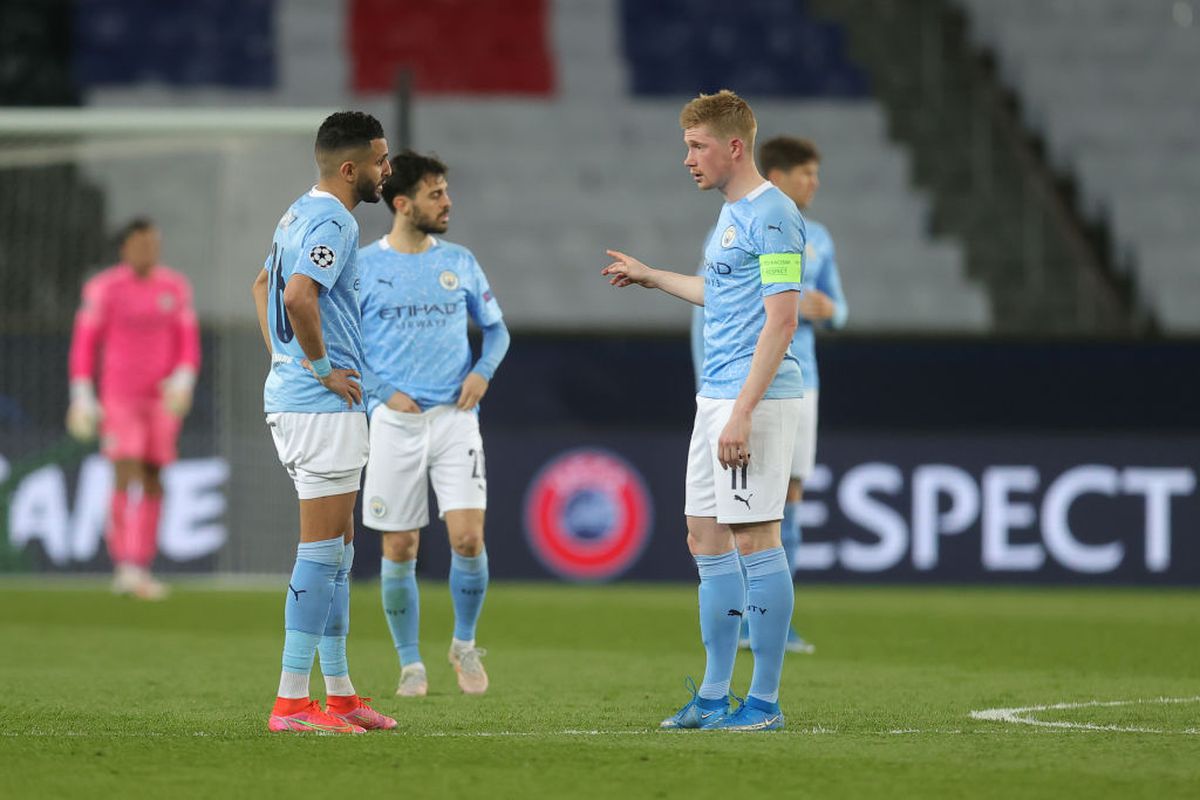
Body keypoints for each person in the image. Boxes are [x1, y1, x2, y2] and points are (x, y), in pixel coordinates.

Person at [602, 90, 805, 731]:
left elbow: (782, 319)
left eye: (696, 146)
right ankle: (715, 696)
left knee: (755, 538)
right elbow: (719, 295)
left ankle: (765, 701)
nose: (686, 158)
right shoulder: (730, 214)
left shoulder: (773, 214)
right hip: (714, 394)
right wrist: (652, 275)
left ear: (734, 147)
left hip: (755, 399)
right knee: (705, 536)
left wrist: (743, 411)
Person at [250, 110, 396, 735]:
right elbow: (295, 294)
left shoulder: (295, 211)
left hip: (301, 400)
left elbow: (261, 283)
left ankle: (338, 694)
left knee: (339, 550)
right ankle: (289, 702)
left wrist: (285, 362)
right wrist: (319, 368)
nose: (386, 170)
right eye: (380, 161)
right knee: (320, 551)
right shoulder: (334, 219)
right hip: (321, 407)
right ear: (349, 167)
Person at [358, 150, 510, 698]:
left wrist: (483, 373)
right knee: (400, 548)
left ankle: (464, 645)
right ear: (402, 204)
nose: (448, 202)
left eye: (446, 190)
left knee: (469, 539)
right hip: (396, 423)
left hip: (456, 417)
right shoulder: (364, 267)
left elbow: (497, 331)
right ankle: (409, 664)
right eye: (435, 193)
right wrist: (381, 393)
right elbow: (342, 346)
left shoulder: (460, 261)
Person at [691, 136, 848, 655]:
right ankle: (746, 625)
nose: (815, 183)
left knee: (784, 504)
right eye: (806, 173)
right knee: (736, 520)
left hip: (797, 384)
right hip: (742, 385)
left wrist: (829, 312)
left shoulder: (815, 236)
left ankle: (774, 626)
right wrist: (711, 384)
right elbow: (711, 304)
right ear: (778, 175)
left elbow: (837, 309)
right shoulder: (741, 222)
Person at [67, 218, 200, 600]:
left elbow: (187, 341)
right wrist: (81, 393)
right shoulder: (104, 288)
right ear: (125, 248)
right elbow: (84, 343)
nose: (149, 251)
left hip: (161, 400)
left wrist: (183, 380)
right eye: (141, 244)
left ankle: (141, 563)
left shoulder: (174, 286)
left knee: (155, 478)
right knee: (126, 471)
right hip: (119, 398)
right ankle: (125, 565)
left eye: (154, 244)